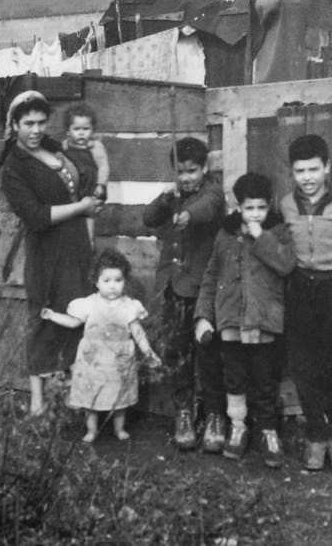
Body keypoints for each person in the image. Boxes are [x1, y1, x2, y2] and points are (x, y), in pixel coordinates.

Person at [0, 90, 101, 417]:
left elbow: (83, 181)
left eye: (41, 122)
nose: (36, 130)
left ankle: (74, 394)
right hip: (47, 250)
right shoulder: (13, 167)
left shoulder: (56, 148)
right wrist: (81, 208)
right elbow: (37, 217)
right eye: (28, 123)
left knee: (78, 310)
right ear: (15, 125)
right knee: (43, 314)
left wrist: (93, 200)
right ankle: (37, 401)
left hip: (77, 244)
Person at [194, 172, 295, 468]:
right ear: (238, 207)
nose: (255, 214)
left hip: (264, 321)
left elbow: (286, 264)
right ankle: (238, 426)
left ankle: (267, 430)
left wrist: (260, 236)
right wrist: (203, 315)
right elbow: (211, 276)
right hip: (231, 322)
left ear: (269, 205)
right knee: (234, 378)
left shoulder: (277, 231)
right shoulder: (225, 234)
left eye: (261, 207)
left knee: (265, 379)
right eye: (249, 208)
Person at [280, 134, 332, 472]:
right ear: (292, 172)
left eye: (313, 169)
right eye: (300, 171)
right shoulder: (286, 206)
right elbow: (280, 248)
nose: (307, 178)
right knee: (305, 365)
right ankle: (316, 434)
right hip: (300, 291)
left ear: (327, 167)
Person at [142, 137, 226, 452]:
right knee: (177, 352)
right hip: (175, 288)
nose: (186, 177)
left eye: (192, 171)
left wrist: (186, 214)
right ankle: (184, 413)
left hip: (204, 291)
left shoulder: (213, 192)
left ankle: (215, 415)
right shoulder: (174, 194)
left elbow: (207, 209)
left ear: (204, 169)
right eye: (181, 172)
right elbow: (149, 218)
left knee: (209, 355)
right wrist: (166, 198)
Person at [42, 248, 161, 443]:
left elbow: (138, 332)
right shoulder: (89, 303)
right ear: (96, 282)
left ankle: (119, 428)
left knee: (119, 398)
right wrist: (53, 316)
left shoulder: (129, 306)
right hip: (94, 362)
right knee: (91, 398)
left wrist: (148, 352)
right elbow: (73, 322)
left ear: (125, 281)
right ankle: (91, 430)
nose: (112, 286)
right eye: (106, 281)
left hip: (118, 362)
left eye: (118, 280)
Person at [62, 104, 110, 247]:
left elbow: (103, 166)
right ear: (68, 131)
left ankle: (90, 245)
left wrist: (101, 184)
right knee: (69, 222)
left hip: (90, 191)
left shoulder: (96, 147)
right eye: (76, 129)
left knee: (89, 220)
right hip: (72, 192)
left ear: (93, 130)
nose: (81, 133)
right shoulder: (65, 146)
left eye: (86, 129)